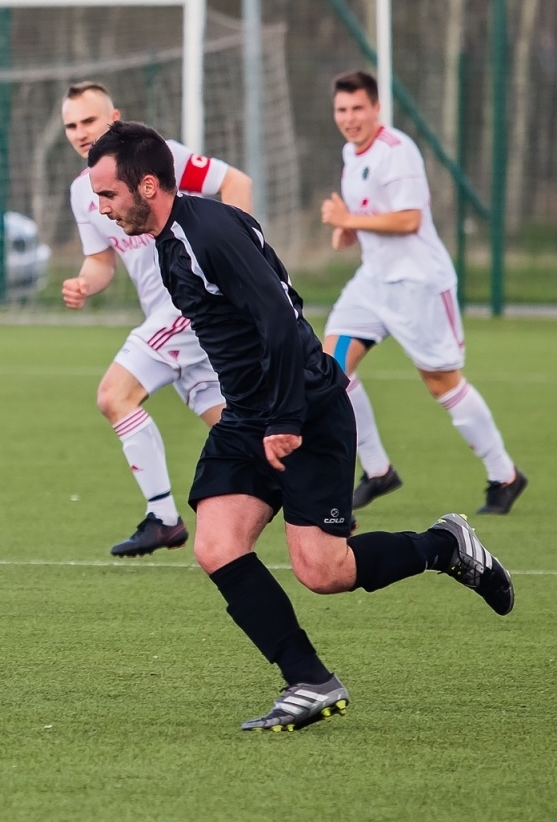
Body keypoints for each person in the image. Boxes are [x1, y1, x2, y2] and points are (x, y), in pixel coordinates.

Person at [87, 120, 514, 732]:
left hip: (304, 408)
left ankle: (445, 547)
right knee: (216, 546)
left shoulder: (206, 233)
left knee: (324, 571)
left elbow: (282, 323)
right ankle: (308, 680)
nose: (102, 207)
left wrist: (286, 416)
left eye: (109, 194)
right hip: (248, 415)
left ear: (147, 186)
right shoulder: (171, 238)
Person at [59, 81, 251, 557]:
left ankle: (163, 517)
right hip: (171, 317)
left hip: (188, 305)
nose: (80, 132)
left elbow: (236, 183)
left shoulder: (160, 156)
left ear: (114, 118)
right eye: (71, 125)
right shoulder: (83, 191)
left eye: (89, 120)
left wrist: (234, 258)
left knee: (114, 394)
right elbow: (101, 261)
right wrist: (83, 283)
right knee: (236, 427)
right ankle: (316, 495)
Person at [320, 70, 526, 514]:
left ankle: (504, 475)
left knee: (441, 382)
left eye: (358, 108)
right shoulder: (350, 153)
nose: (349, 118)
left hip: (419, 285)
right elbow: (368, 214)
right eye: (342, 109)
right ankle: (377, 470)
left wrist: (348, 221)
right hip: (373, 282)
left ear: (377, 108)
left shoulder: (398, 152)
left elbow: (409, 219)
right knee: (330, 369)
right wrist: (348, 229)